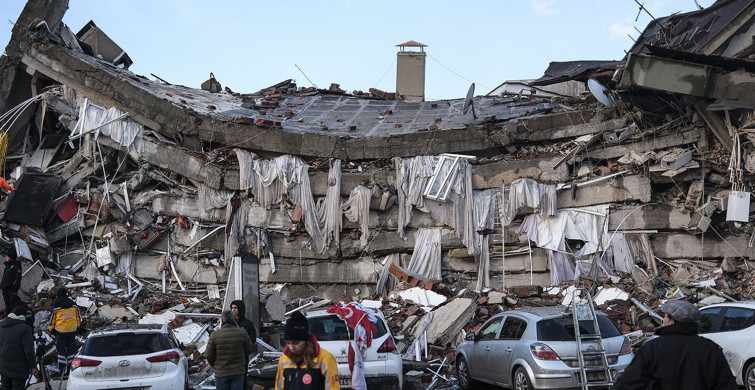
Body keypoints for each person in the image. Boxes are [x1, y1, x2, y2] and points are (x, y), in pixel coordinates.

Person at [613, 300, 738, 390]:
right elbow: (726, 385)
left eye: (665, 317)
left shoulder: (653, 349)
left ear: (672, 321)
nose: (663, 320)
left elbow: (628, 383)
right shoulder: (710, 350)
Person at [275, 311, 340, 390]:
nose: (291, 347)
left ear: (305, 340)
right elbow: (279, 387)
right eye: (288, 343)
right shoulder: (284, 359)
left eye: (295, 343)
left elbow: (332, 387)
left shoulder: (325, 359)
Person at [205, 310, 253, 390]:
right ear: (233, 319)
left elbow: (209, 355)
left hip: (221, 373)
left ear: (222, 320)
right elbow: (248, 349)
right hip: (238, 372)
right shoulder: (242, 332)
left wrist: (217, 366)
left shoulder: (214, 335)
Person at [0, 305, 36, 389]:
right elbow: (28, 350)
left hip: (4, 365)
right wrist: (33, 366)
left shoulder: (2, 326)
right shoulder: (24, 328)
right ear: (23, 315)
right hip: (19, 367)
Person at [48, 287, 81, 377]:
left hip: (60, 332)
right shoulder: (73, 304)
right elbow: (79, 317)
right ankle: (71, 370)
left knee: (61, 352)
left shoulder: (55, 305)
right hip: (72, 331)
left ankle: (62, 370)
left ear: (57, 295)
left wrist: (52, 330)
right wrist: (76, 327)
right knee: (71, 351)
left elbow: (51, 320)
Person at [231, 300, 257, 389]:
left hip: (243, 355)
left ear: (240, 309)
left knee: (242, 376)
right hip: (231, 355)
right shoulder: (229, 324)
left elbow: (252, 339)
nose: (233, 310)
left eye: (235, 308)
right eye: (232, 308)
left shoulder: (248, 324)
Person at [0, 250, 22, 314]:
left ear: (10, 258)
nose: (6, 258)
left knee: (12, 304)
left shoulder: (16, 266)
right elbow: (5, 278)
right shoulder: (8, 266)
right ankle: (8, 317)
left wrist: (13, 288)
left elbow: (18, 279)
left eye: (7, 256)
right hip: (5, 289)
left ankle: (13, 318)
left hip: (11, 290)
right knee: (7, 305)